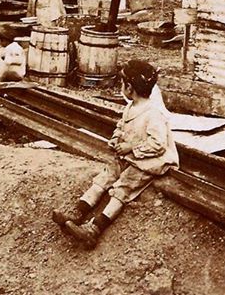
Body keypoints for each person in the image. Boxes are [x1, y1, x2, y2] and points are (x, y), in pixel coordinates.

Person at [52, 59, 178, 249]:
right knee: (105, 176)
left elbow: (158, 145)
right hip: (131, 156)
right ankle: (77, 212)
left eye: (122, 84)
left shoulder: (154, 114)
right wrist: (116, 138)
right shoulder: (130, 107)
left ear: (129, 87)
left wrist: (131, 149)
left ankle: (94, 228)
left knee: (123, 186)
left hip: (150, 160)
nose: (121, 87)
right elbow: (121, 127)